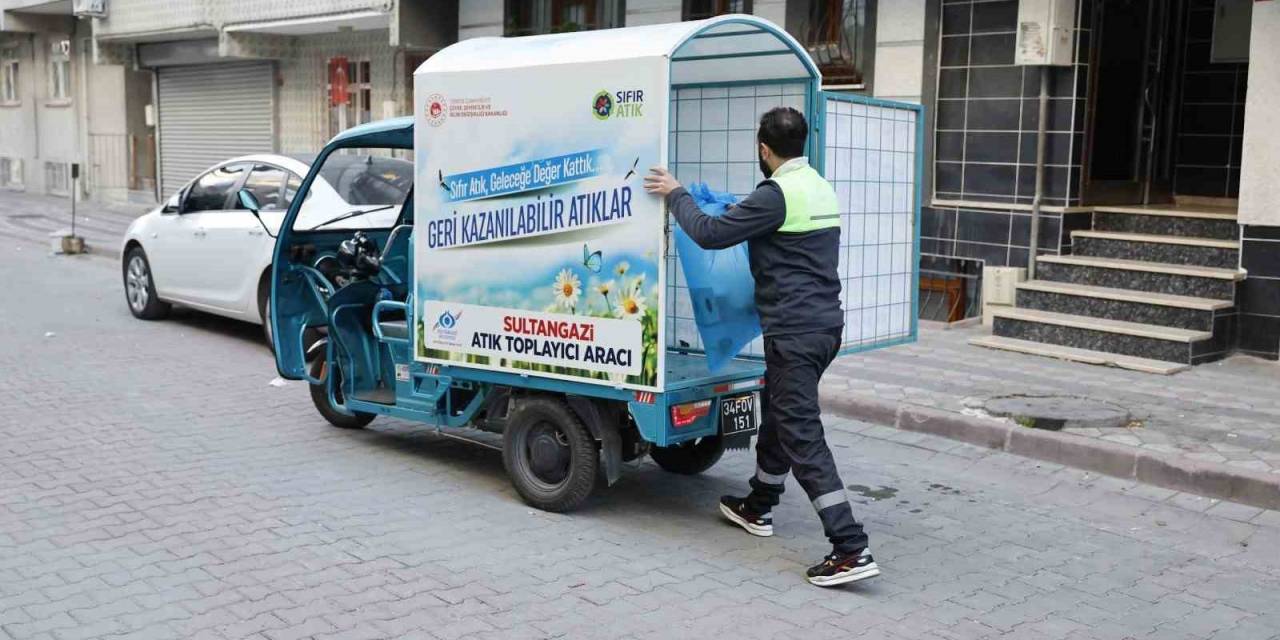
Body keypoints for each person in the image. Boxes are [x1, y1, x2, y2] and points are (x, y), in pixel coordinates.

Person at [643, 107, 878, 587]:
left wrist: (676, 194)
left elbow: (709, 236)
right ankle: (758, 505)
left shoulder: (775, 195)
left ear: (764, 150)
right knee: (779, 410)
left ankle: (850, 547)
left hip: (794, 332)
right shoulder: (817, 184)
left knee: (801, 434)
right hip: (824, 327)